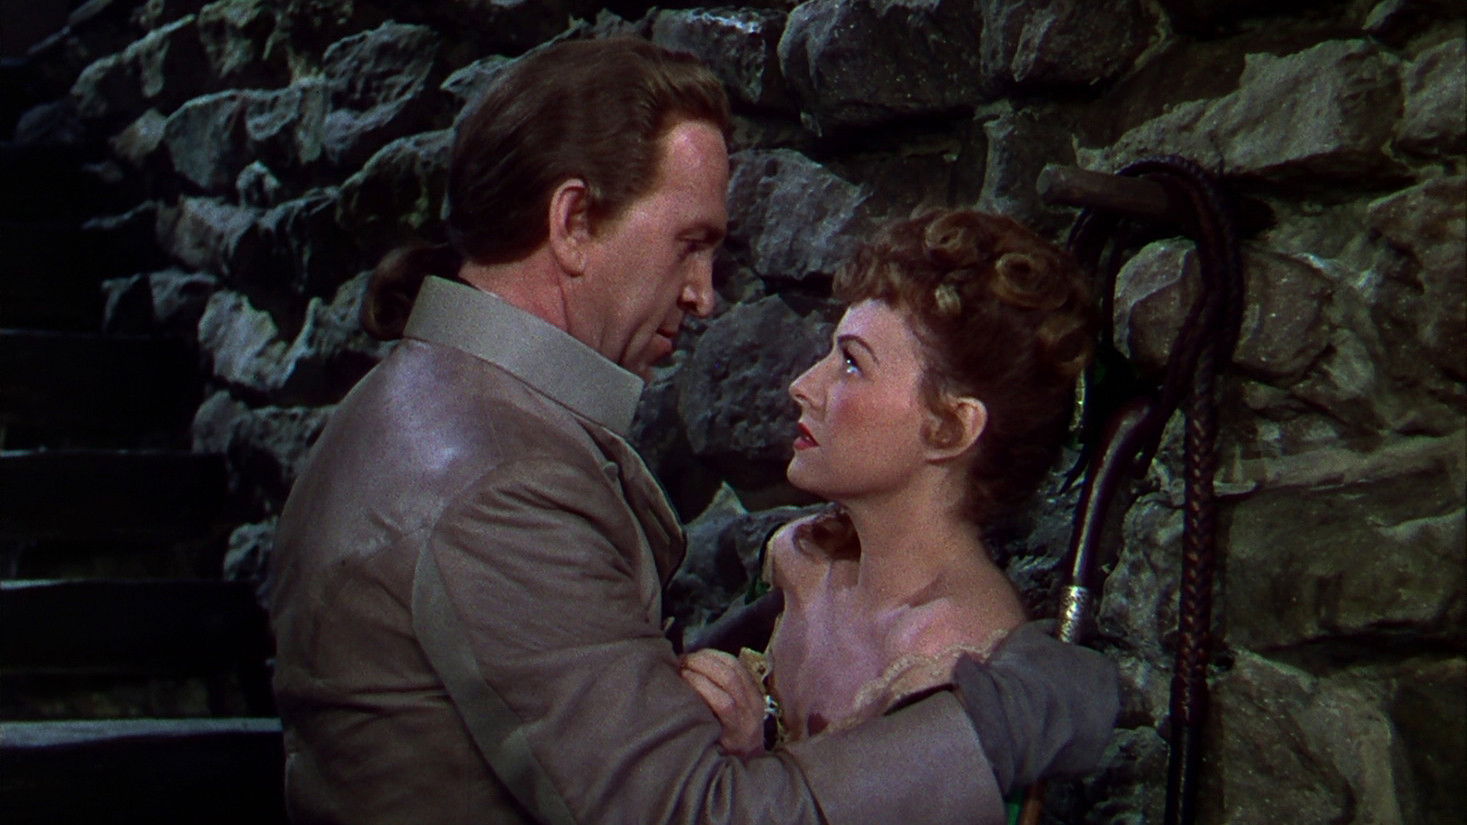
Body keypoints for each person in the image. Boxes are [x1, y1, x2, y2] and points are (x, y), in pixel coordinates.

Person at [267, 37, 1117, 825]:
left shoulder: (428, 399)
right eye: (688, 244)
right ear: (572, 222)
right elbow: (688, 814)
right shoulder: (499, 475)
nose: (704, 295)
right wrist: (1000, 725)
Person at [679, 209, 1110, 777]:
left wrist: (747, 762)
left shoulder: (951, 656)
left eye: (852, 364)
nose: (803, 386)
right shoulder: (800, 561)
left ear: (949, 428)